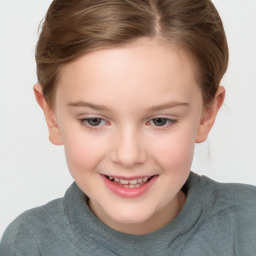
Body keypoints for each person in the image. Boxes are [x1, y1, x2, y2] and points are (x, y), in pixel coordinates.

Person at [1, 0, 255, 255]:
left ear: (206, 115)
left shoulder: (248, 228)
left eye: (160, 121)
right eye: (94, 121)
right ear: (51, 115)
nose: (128, 156)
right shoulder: (28, 244)